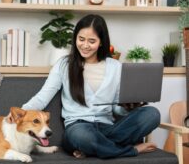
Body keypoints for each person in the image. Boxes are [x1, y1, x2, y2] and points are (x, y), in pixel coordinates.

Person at [20, 14, 160, 159]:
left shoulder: (115, 67)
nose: (85, 45)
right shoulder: (64, 65)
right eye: (81, 39)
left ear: (101, 42)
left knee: (152, 114)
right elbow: (42, 98)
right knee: (83, 137)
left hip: (107, 128)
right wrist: (19, 113)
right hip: (78, 128)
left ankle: (93, 148)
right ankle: (131, 150)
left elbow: (116, 109)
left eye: (92, 41)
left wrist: (127, 107)